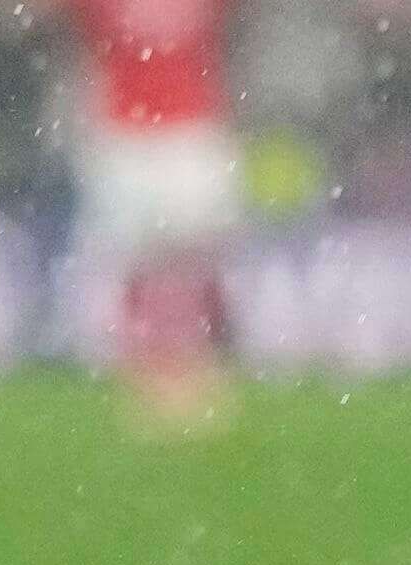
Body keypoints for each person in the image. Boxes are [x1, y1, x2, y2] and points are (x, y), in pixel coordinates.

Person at [58, 0, 244, 426]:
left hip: (192, 127)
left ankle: (202, 371)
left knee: (197, 259)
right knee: (135, 264)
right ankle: (144, 378)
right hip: (125, 133)